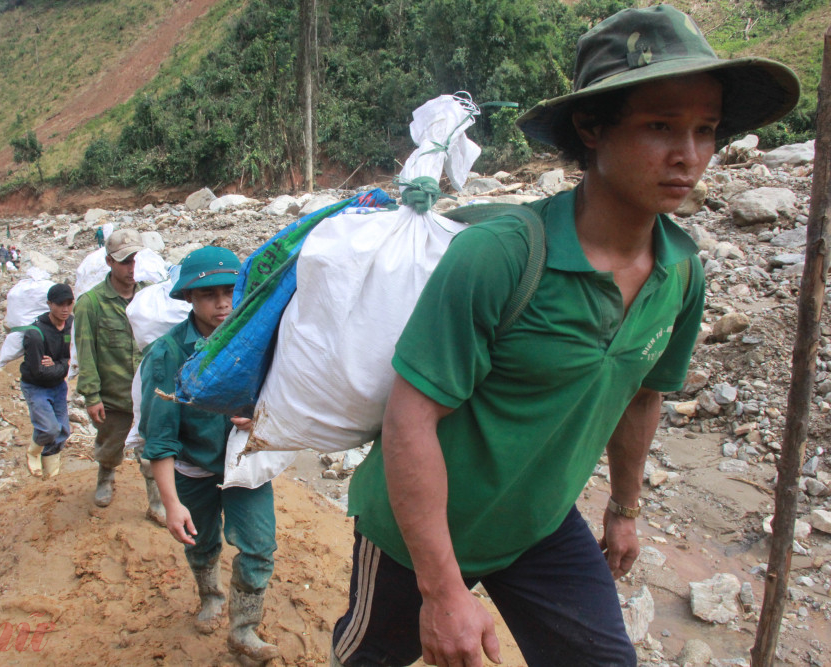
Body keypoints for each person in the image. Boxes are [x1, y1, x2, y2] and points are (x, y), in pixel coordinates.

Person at [330, 6, 800, 667]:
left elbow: (642, 396)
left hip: (540, 525)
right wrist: (441, 590)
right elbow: (410, 417)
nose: (688, 155)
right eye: (660, 125)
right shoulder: (499, 258)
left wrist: (625, 508)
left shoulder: (681, 272)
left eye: (705, 130)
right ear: (591, 127)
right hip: (419, 534)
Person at [140, 247, 279, 662]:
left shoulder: (259, 339)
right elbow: (160, 436)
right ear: (188, 299)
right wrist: (170, 503)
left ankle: (244, 630)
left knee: (258, 545)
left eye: (230, 291)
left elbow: (285, 395)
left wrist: (261, 418)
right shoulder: (169, 354)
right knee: (199, 542)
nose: (222, 303)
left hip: (245, 464)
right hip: (193, 468)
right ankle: (210, 594)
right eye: (208, 295)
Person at [73, 228, 165, 522]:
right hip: (113, 396)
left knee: (152, 451)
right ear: (110, 262)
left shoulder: (151, 296)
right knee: (111, 445)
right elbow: (85, 353)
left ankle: (157, 502)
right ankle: (105, 477)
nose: (131, 268)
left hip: (149, 393)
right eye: (125, 261)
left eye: (136, 259)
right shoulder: (91, 304)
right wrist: (91, 395)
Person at [21, 283, 75, 479]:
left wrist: (58, 365)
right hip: (36, 387)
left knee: (63, 430)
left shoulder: (71, 325)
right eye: (60, 304)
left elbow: (73, 357)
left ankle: (50, 464)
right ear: (49, 304)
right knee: (49, 428)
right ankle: (34, 451)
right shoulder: (35, 334)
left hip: (58, 385)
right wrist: (65, 364)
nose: (65, 309)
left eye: (69, 304)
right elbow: (39, 372)